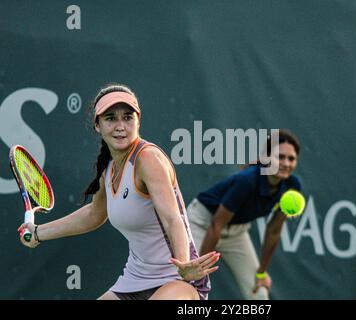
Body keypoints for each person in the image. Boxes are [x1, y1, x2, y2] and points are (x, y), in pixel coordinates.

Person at [18, 84, 220, 300]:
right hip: (134, 280)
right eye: (111, 118)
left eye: (127, 117)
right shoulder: (109, 170)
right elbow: (93, 215)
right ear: (97, 125)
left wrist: (184, 267)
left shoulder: (147, 159)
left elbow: (173, 218)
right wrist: (38, 232)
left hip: (177, 281)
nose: (120, 126)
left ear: (138, 121)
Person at [186, 129, 302, 300]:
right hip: (202, 224)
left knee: (260, 294)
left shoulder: (292, 186)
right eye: (280, 157)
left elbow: (274, 231)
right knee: (188, 286)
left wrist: (261, 273)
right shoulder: (247, 181)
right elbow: (216, 225)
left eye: (291, 158)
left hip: (236, 233)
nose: (286, 163)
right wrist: (200, 272)